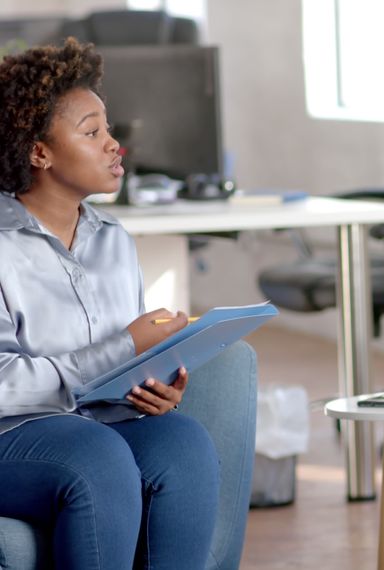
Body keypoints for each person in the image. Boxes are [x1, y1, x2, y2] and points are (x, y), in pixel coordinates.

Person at [0, 39, 220, 568]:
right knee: (95, 459)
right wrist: (124, 345)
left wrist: (153, 385)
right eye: (92, 132)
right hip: (13, 432)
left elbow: (116, 368)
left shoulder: (113, 238)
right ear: (39, 152)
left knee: (183, 443)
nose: (113, 145)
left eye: (109, 129)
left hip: (93, 423)